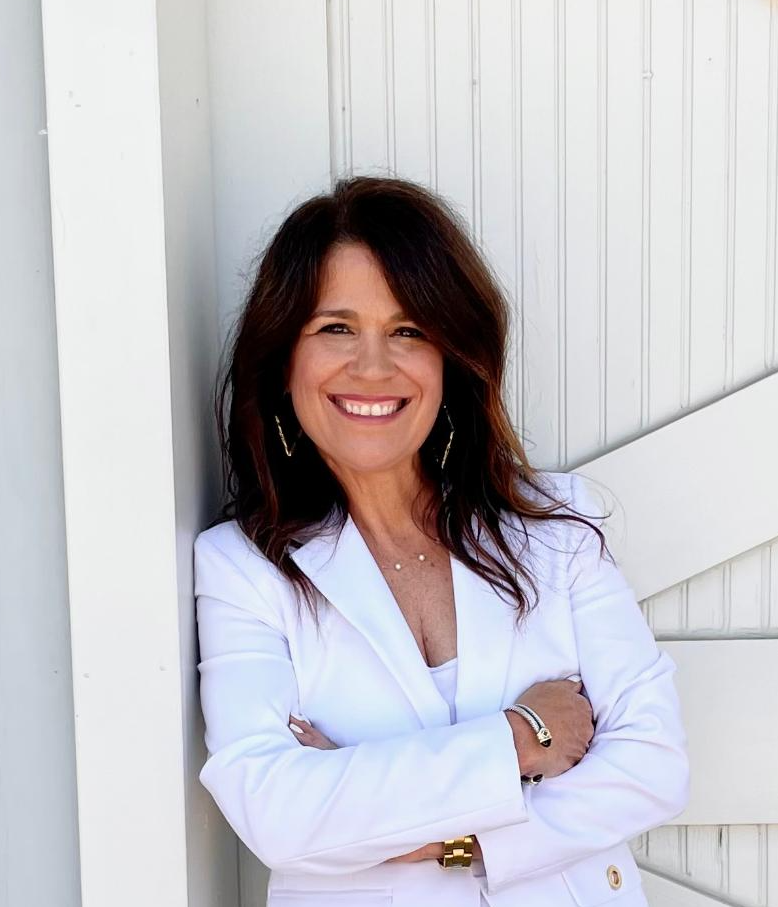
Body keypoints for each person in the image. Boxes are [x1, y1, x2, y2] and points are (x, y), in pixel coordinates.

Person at [194, 175, 690, 907]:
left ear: (450, 359)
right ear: (284, 360)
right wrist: (520, 737)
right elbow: (277, 812)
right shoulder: (241, 568)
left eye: (409, 330)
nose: (372, 367)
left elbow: (653, 763)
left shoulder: (554, 527)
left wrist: (440, 839)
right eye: (336, 328)